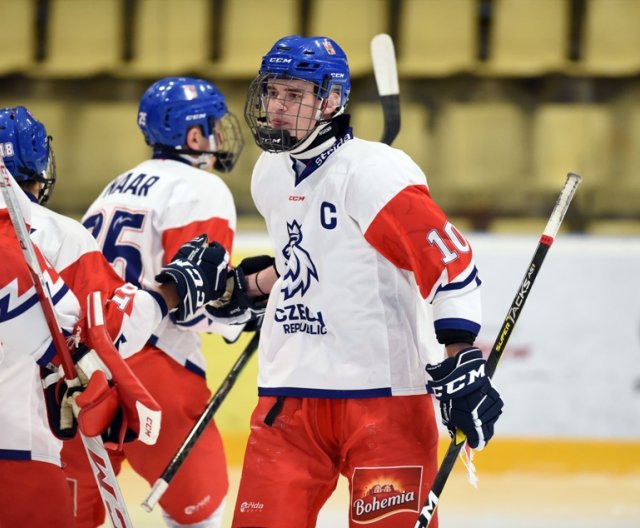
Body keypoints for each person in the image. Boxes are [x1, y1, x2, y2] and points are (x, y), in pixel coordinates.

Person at [228, 35, 504, 528]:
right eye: (272, 92)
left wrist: (460, 353)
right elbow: (307, 258)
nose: (276, 107)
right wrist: (253, 287)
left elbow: (450, 263)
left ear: (331, 100)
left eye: (295, 95)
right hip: (288, 397)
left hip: (383, 398)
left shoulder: (374, 173)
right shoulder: (268, 173)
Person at [0, 106, 230, 526]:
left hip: (71, 400)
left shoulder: (112, 188)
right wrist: (185, 295)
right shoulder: (55, 231)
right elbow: (108, 328)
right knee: (199, 513)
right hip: (109, 383)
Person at [65, 77, 245, 528]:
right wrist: (241, 315)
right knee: (198, 510)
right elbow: (191, 297)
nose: (218, 133)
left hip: (85, 367)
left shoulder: (115, 187)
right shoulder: (202, 189)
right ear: (192, 136)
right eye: (212, 124)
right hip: (155, 369)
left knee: (70, 513)